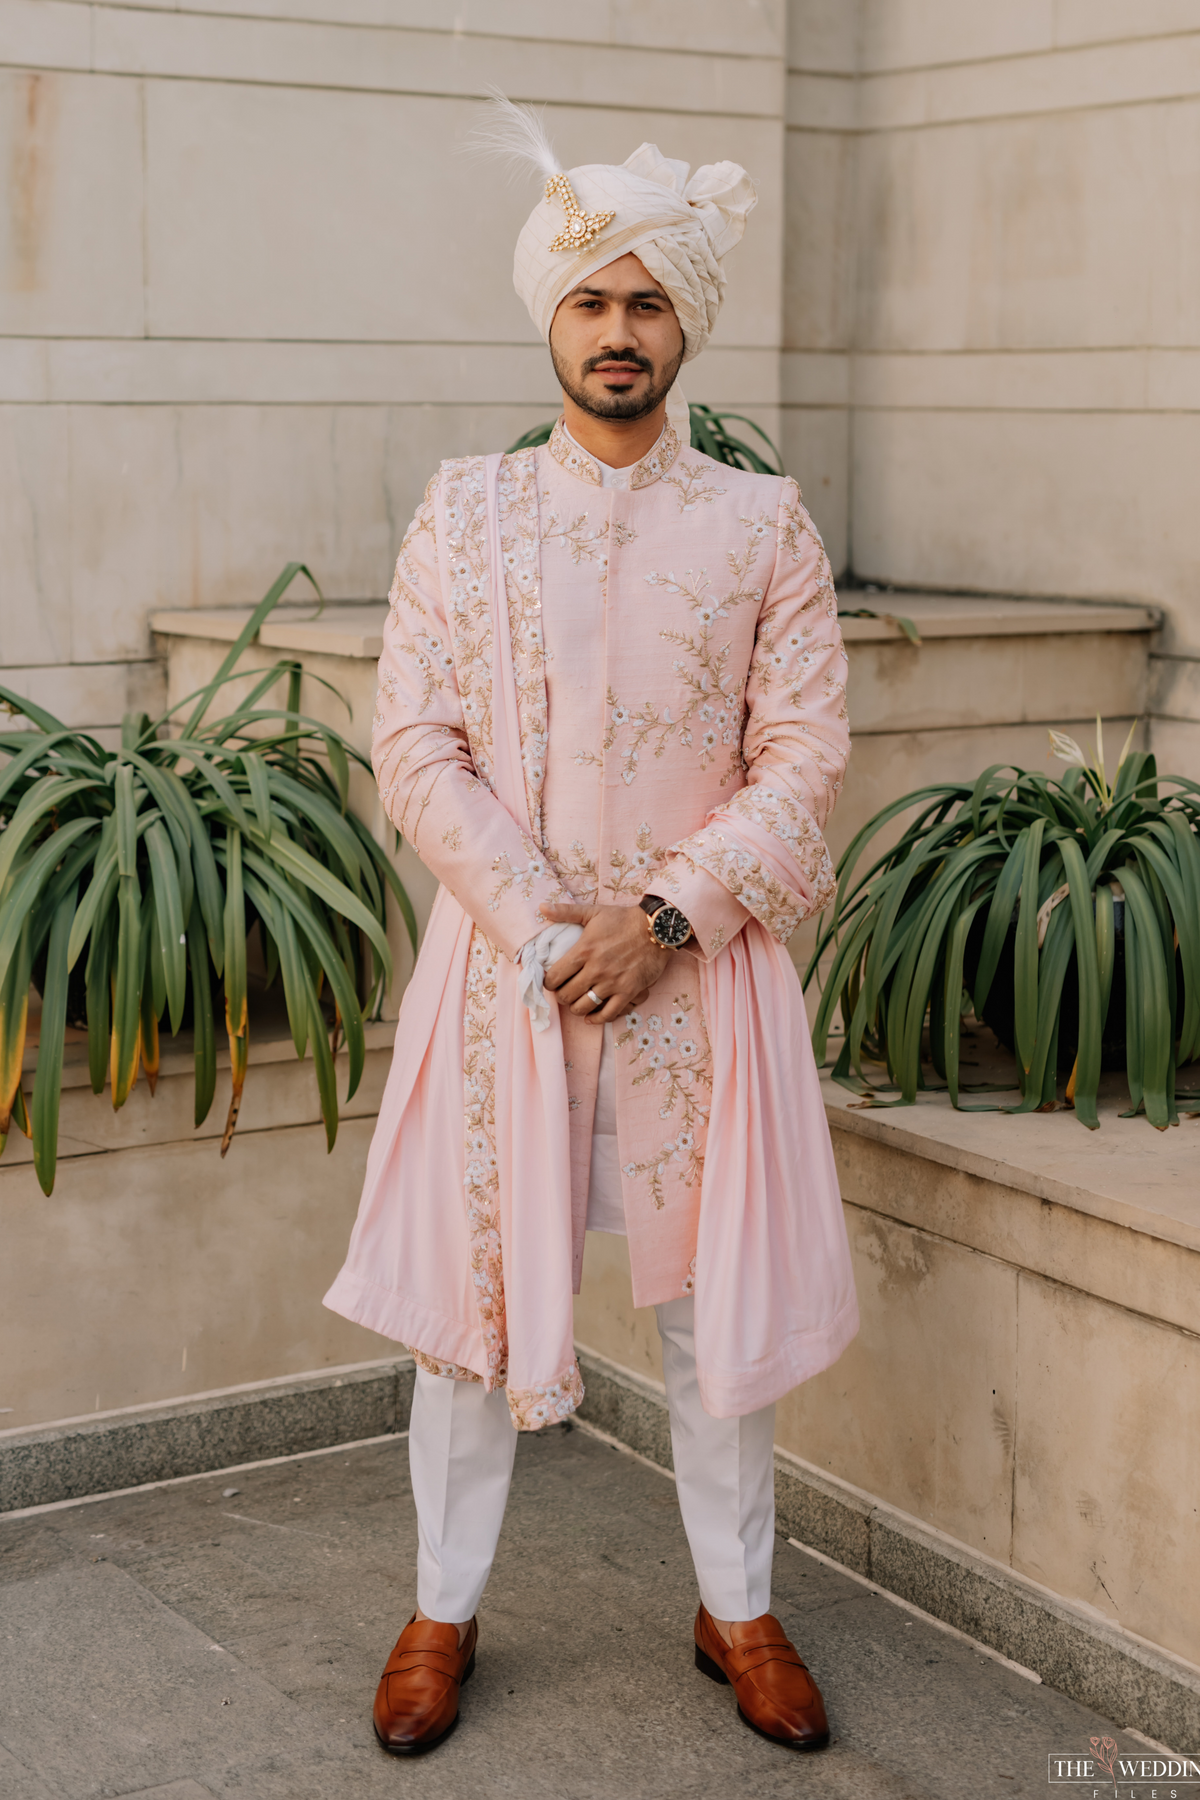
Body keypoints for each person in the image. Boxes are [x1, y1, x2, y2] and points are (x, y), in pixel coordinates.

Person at [324, 99, 858, 1758]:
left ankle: (739, 1605)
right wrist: (548, 927)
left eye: (645, 301)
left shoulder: (760, 526)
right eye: (589, 299)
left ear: (685, 319)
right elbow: (413, 739)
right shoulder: (464, 508)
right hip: (507, 981)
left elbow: (806, 755)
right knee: (468, 1318)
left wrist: (663, 922)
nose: (616, 330)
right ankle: (440, 1607)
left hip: (697, 985)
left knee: (718, 1320)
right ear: (548, 316)